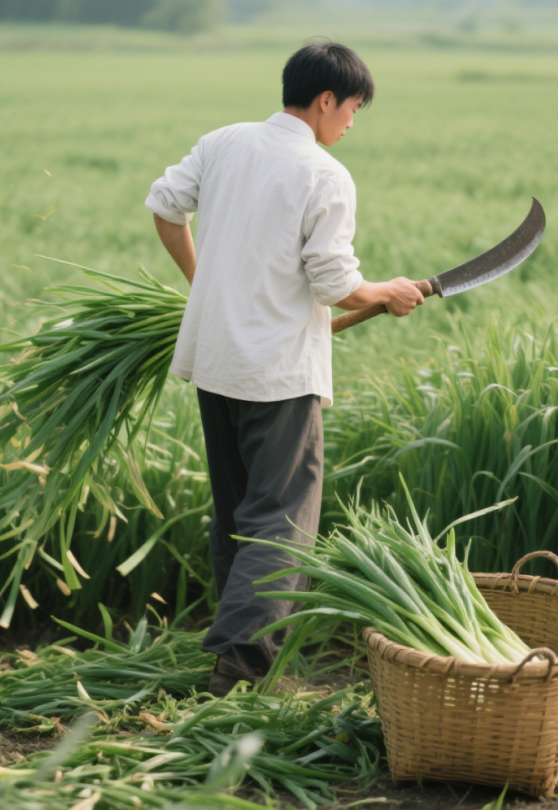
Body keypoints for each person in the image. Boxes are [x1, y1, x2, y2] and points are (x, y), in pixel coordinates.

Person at [146, 41, 425, 696]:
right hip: (276, 374)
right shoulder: (323, 173)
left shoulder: (224, 142)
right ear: (327, 101)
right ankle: (242, 667)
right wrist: (384, 291)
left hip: (216, 363)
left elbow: (164, 207)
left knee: (239, 511)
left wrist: (204, 285)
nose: (353, 122)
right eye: (353, 108)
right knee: (283, 519)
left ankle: (231, 658)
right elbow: (334, 283)